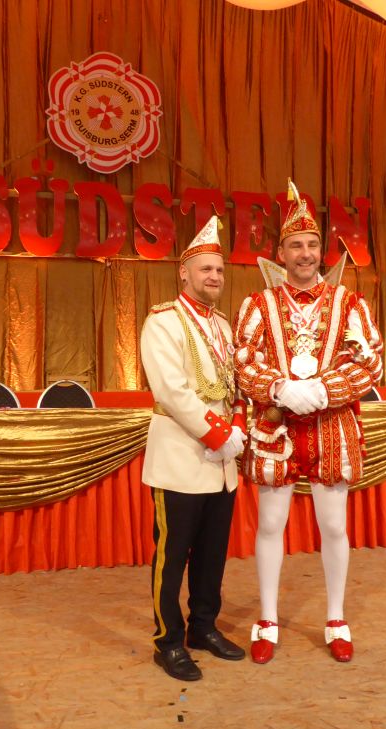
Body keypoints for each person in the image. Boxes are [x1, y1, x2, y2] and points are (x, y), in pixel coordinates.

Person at [233, 181, 383, 664]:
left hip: (332, 426)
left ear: (322, 251)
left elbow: (370, 360)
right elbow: (242, 360)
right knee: (270, 523)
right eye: (295, 245)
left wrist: (323, 390)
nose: (304, 253)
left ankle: (336, 618)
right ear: (280, 253)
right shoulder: (258, 305)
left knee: (334, 526)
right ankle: (268, 619)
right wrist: (279, 388)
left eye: (312, 245)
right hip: (275, 427)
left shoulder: (350, 303)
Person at [140, 215, 248, 681]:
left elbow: (235, 383)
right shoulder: (163, 321)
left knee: (211, 555)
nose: (214, 277)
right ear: (184, 273)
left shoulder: (223, 325)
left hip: (222, 464)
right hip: (182, 458)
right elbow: (171, 391)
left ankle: (203, 627)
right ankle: (168, 640)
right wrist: (219, 435)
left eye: (219, 270)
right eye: (206, 269)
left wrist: (238, 425)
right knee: (172, 558)